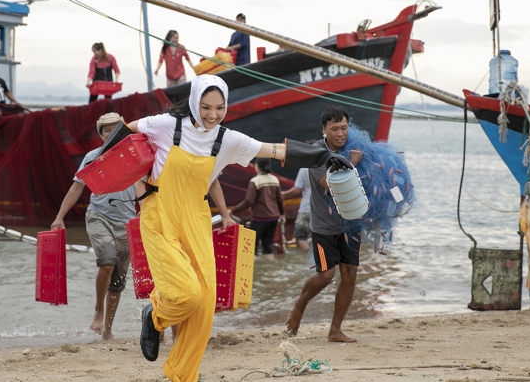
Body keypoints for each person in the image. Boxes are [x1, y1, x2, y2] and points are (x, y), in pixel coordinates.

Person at [109, 74, 350, 382]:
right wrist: (138, 184)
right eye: (205, 107)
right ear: (195, 102)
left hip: (195, 218)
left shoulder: (227, 140)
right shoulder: (167, 125)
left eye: (219, 108)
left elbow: (275, 150)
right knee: (186, 293)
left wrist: (326, 156)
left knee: (205, 301)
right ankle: (156, 316)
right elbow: (126, 135)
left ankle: (183, 374)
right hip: (159, 216)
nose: (212, 115)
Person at [51, 112, 145, 340]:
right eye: (106, 130)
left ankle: (108, 330)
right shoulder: (93, 157)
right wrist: (59, 217)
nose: (111, 133)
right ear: (101, 135)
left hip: (126, 222)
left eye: (116, 129)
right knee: (107, 262)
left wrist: (146, 216)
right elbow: (76, 188)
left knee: (119, 280)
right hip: (98, 215)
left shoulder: (135, 156)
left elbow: (144, 190)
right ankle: (98, 310)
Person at [285, 106, 363, 343]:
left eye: (344, 128)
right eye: (335, 129)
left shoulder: (356, 144)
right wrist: (352, 162)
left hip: (351, 224)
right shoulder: (316, 152)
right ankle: (300, 304)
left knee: (349, 274)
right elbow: (330, 184)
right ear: (324, 130)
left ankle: (335, 330)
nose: (341, 133)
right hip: (324, 226)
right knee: (326, 275)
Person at [230, 158, 284, 260]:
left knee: (252, 247)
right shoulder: (275, 179)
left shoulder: (255, 181)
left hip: (260, 218)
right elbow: (279, 200)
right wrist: (282, 214)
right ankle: (269, 271)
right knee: (267, 247)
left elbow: (248, 201)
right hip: (274, 218)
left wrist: (232, 211)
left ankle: (255, 272)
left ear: (257, 166)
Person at [280, 166, 313, 251]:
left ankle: (310, 259)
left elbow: (297, 189)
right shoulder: (325, 167)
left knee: (300, 237)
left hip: (306, 209)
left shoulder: (305, 169)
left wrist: (284, 194)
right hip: (324, 210)